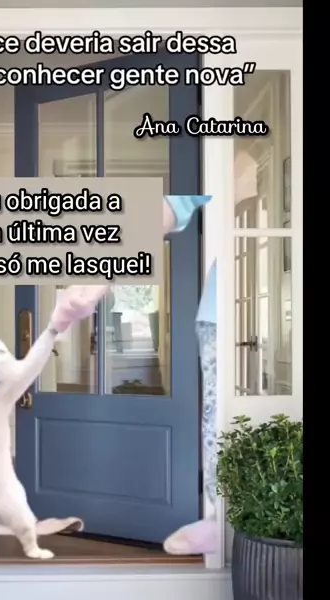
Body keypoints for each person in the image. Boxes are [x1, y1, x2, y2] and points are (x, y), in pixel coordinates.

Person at [161, 195, 217, 555]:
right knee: (215, 414)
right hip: (216, 316)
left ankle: (221, 518)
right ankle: (219, 517)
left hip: (224, 313)